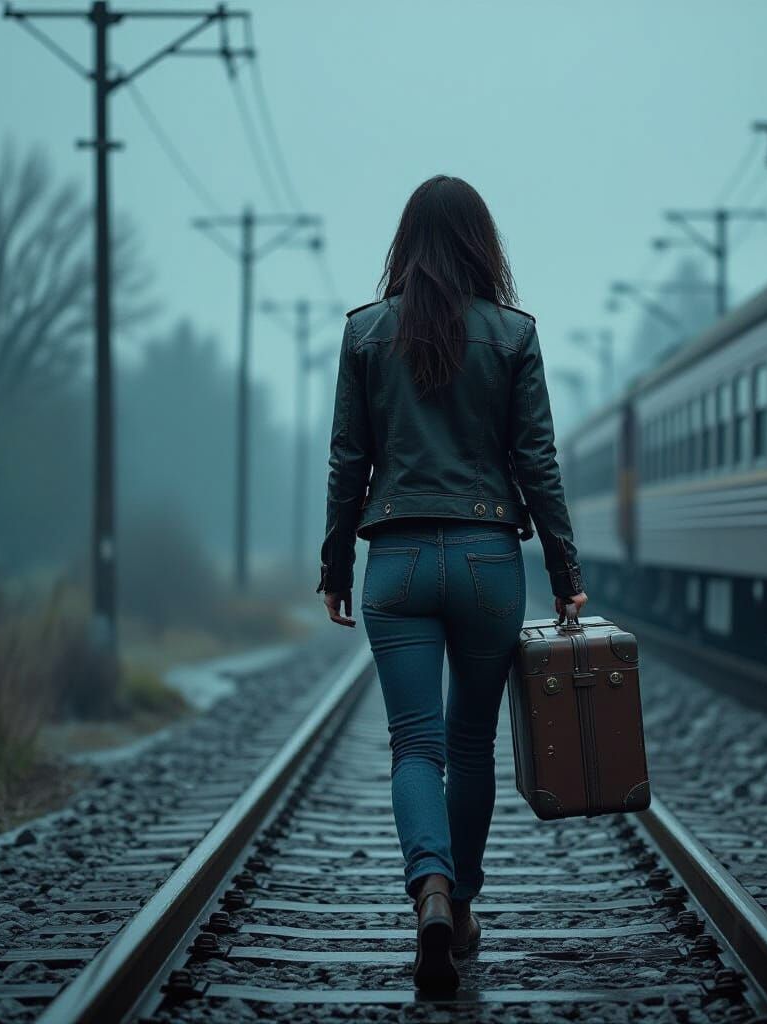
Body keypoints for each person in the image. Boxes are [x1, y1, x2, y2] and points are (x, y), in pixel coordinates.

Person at [316, 175, 587, 992]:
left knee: (415, 745)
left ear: (405, 243)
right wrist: (566, 570)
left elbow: (347, 460)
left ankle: (428, 890)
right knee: (470, 744)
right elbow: (535, 460)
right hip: (485, 561)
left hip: (395, 561)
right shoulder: (512, 334)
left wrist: (334, 564)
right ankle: (462, 903)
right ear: (481, 243)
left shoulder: (366, 333)